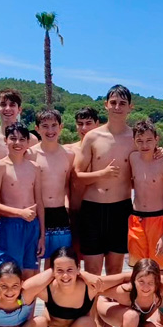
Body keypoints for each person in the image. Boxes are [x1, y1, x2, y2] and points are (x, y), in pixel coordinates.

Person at [74, 85, 137, 277]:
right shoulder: (93, 137)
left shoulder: (135, 138)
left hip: (121, 209)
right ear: (106, 105)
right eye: (113, 102)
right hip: (93, 208)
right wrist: (102, 174)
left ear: (130, 107)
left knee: (115, 271)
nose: (117, 107)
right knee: (92, 271)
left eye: (122, 103)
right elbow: (77, 175)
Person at [0, 122, 45, 279]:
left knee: (29, 273)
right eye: (13, 138)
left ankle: (26, 299)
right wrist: (20, 213)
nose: (17, 143)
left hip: (32, 226)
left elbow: (39, 202)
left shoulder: (34, 167)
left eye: (22, 139)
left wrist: (42, 235)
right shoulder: (0, 167)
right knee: (8, 273)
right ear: (5, 140)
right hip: (10, 226)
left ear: (28, 143)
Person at [128, 120, 163, 272]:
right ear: (134, 141)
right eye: (140, 141)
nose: (145, 145)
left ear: (157, 139)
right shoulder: (133, 159)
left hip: (159, 220)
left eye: (149, 140)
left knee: (161, 271)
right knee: (139, 271)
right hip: (136, 220)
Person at [30, 109, 75, 268]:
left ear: (61, 127)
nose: (50, 130)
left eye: (54, 125)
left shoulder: (69, 155)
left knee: (57, 262)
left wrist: (68, 208)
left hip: (59, 212)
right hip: (36, 213)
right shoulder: (30, 154)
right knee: (33, 261)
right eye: (45, 126)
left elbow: (66, 184)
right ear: (37, 129)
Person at [64, 107, 100, 259]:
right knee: (70, 260)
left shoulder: (105, 150)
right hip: (73, 212)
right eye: (80, 124)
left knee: (96, 262)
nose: (84, 128)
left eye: (88, 123)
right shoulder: (68, 151)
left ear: (97, 124)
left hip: (98, 213)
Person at [0, 89, 38, 159]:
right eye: (3, 105)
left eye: (12, 105)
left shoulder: (32, 140)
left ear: (19, 109)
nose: (7, 108)